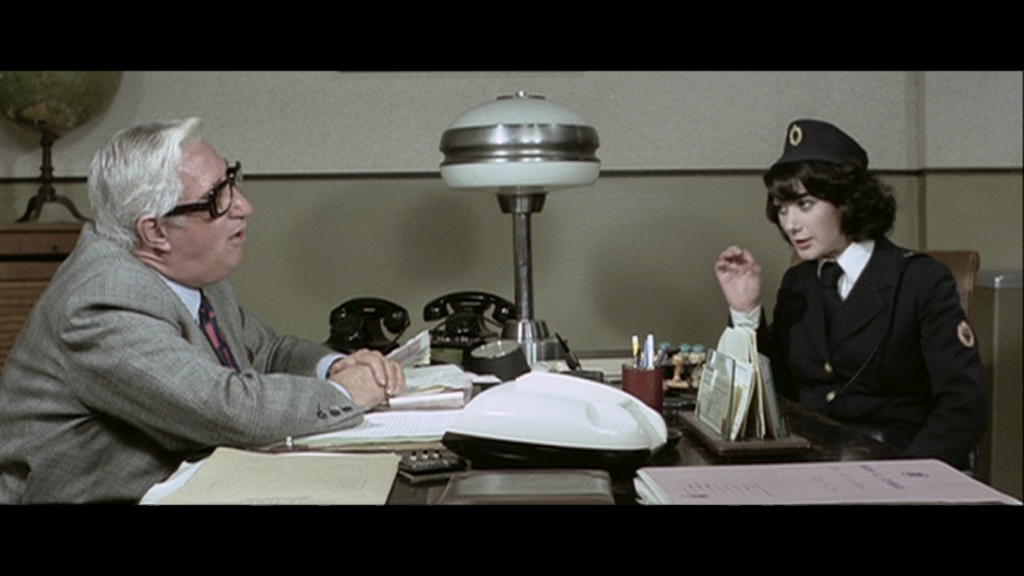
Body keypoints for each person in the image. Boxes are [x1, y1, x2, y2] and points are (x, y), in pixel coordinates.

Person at [0, 118, 405, 503]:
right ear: (156, 231)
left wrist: (335, 366)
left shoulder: (190, 269)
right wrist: (345, 393)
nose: (244, 206)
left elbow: (267, 353)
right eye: (217, 199)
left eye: (232, 181)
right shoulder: (102, 302)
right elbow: (227, 410)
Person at [714, 119, 985, 470]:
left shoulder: (920, 281)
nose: (791, 224)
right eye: (782, 208)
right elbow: (774, 394)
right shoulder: (798, 283)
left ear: (848, 201)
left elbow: (963, 406)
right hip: (808, 464)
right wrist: (745, 311)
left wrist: (908, 479)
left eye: (805, 204)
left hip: (895, 464)